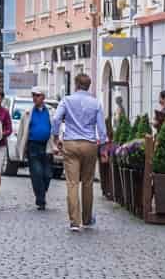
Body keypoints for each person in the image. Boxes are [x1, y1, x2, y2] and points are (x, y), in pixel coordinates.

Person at [52, 73, 107, 232]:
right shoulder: (96, 103)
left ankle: (74, 221)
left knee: (72, 183)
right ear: (89, 86)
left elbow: (56, 119)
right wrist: (102, 147)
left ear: (75, 85)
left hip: (71, 143)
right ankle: (87, 218)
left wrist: (56, 136)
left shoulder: (67, 100)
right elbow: (101, 129)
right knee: (88, 182)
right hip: (89, 144)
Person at [15, 87, 53, 211]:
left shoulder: (50, 111)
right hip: (33, 146)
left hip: (47, 146)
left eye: (37, 95)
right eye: (33, 95)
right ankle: (41, 200)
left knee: (47, 174)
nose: (35, 98)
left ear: (43, 97)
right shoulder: (27, 112)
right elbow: (21, 131)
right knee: (37, 173)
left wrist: (58, 143)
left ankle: (41, 192)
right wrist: (20, 148)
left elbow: (56, 128)